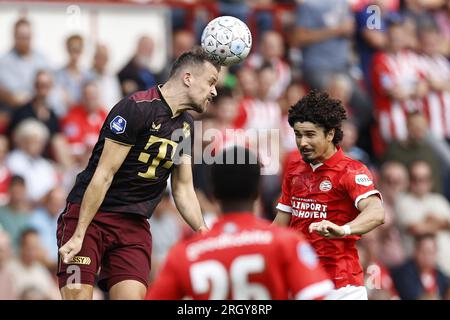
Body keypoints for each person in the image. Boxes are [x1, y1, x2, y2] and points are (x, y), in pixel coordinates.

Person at [57, 47, 220, 300]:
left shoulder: (186, 126)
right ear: (188, 78)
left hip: (133, 225)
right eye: (211, 82)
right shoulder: (136, 108)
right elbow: (104, 175)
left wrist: (203, 231)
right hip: (91, 217)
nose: (214, 91)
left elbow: (182, 188)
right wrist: (79, 233)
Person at [146, 146, 334, 300]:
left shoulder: (184, 254)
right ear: (258, 191)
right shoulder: (286, 243)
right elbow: (317, 296)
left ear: (213, 193)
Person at [273, 90, 385, 300]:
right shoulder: (294, 169)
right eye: (298, 135)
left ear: (330, 134)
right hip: (302, 282)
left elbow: (376, 212)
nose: (302, 142)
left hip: (342, 288)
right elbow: (280, 224)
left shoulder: (351, 171)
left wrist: (343, 230)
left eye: (310, 135)